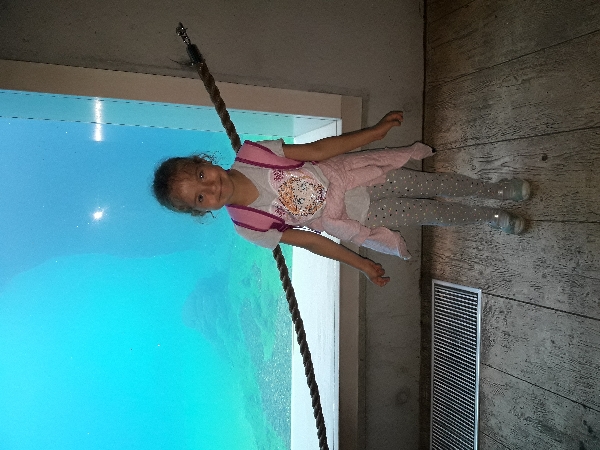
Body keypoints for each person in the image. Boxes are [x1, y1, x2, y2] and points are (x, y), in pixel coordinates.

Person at [152, 111, 529, 287]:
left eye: (201, 176)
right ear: (202, 212)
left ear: (205, 161)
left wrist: (373, 133)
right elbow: (312, 241)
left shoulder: (254, 153)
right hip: (359, 217)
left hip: (359, 174)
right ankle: (491, 218)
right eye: (200, 198)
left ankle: (495, 191)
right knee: (430, 212)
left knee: (434, 183)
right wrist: (360, 264)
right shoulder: (248, 226)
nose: (211, 188)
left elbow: (318, 150)